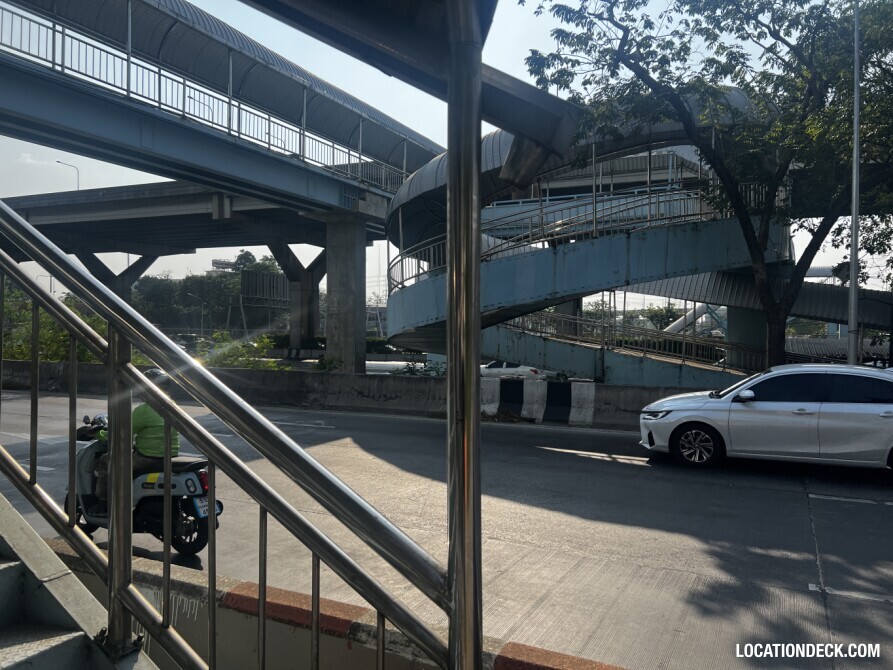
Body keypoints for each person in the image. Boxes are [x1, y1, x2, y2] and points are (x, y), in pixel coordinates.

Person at [93, 369, 180, 508]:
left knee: (106, 460)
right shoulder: (172, 406)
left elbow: (123, 431)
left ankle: (103, 502)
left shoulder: (145, 409)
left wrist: (99, 434)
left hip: (148, 457)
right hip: (170, 455)